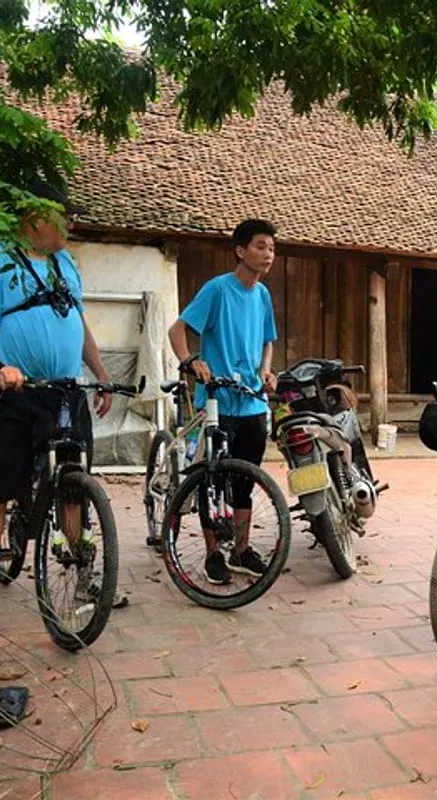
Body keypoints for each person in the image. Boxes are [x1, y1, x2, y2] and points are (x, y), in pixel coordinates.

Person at [0, 181, 114, 628]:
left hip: (64, 391)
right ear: (36, 216)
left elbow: (78, 324)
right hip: (11, 393)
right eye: (65, 215)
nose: (72, 223)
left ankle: (82, 577)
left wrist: (100, 374)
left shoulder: (67, 265)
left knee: (73, 483)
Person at [167, 218, 279, 585]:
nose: (268, 254)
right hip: (216, 400)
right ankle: (213, 553)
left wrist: (265, 370)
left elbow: (267, 340)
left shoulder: (262, 296)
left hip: (252, 402)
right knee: (210, 480)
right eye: (261, 246)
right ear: (240, 251)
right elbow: (178, 329)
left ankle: (241, 550)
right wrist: (190, 361)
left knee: (246, 481)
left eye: (272, 248)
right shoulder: (217, 290)